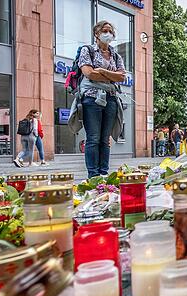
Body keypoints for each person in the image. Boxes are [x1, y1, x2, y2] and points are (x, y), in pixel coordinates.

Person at [74, 20, 127, 178]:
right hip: (91, 99)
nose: (108, 34)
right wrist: (111, 75)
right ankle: (94, 175)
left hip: (110, 98)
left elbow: (122, 77)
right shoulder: (87, 50)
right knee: (93, 138)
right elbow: (89, 73)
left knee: (105, 139)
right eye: (105, 30)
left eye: (110, 31)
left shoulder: (115, 55)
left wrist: (102, 71)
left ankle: (104, 174)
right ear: (96, 34)